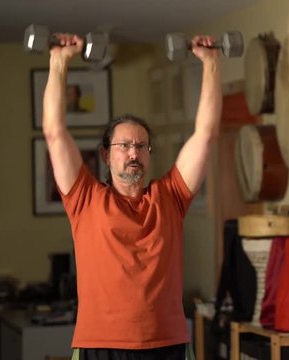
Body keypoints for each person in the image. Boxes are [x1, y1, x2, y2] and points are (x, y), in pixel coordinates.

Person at [42, 33, 221, 359]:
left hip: (166, 343)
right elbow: (55, 133)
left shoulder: (171, 196)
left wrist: (210, 65)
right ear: (106, 155)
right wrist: (59, 62)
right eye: (123, 146)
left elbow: (206, 135)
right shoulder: (85, 198)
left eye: (140, 145)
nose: (133, 152)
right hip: (101, 344)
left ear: (149, 154)